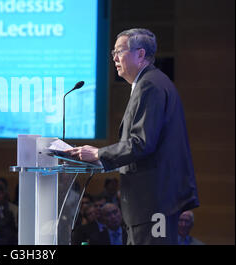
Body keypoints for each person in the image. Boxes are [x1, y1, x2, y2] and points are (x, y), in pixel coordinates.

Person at [67, 28, 200, 244]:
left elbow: (141, 143)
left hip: (155, 202)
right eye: (113, 52)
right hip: (151, 202)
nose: (115, 57)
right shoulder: (151, 82)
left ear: (140, 54)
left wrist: (99, 153)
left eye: (119, 51)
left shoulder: (150, 85)